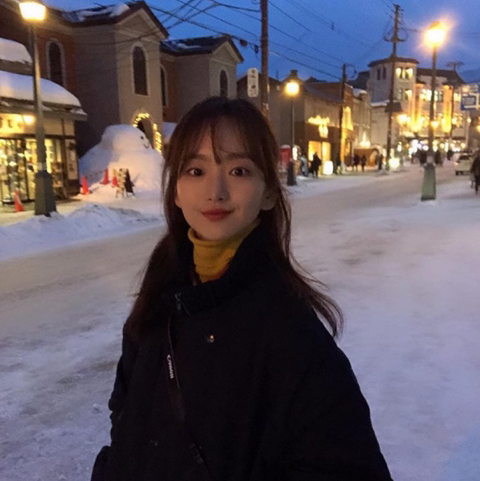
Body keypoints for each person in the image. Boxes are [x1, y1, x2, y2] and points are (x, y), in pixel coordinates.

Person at [91, 97, 392, 481]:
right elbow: (126, 411)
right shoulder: (159, 299)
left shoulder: (292, 336)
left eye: (238, 170)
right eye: (196, 170)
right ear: (176, 192)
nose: (215, 191)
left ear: (268, 192)